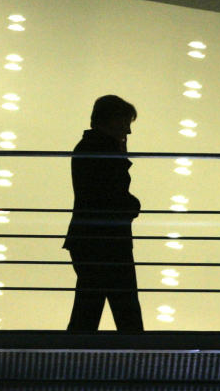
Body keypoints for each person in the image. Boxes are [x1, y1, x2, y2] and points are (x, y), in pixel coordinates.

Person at [64, 94, 144, 332]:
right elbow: (114, 197)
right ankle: (138, 357)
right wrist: (133, 205)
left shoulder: (89, 148)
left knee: (88, 308)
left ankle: (73, 355)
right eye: (125, 123)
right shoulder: (103, 151)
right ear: (111, 120)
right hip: (108, 242)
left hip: (91, 240)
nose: (128, 131)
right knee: (125, 309)